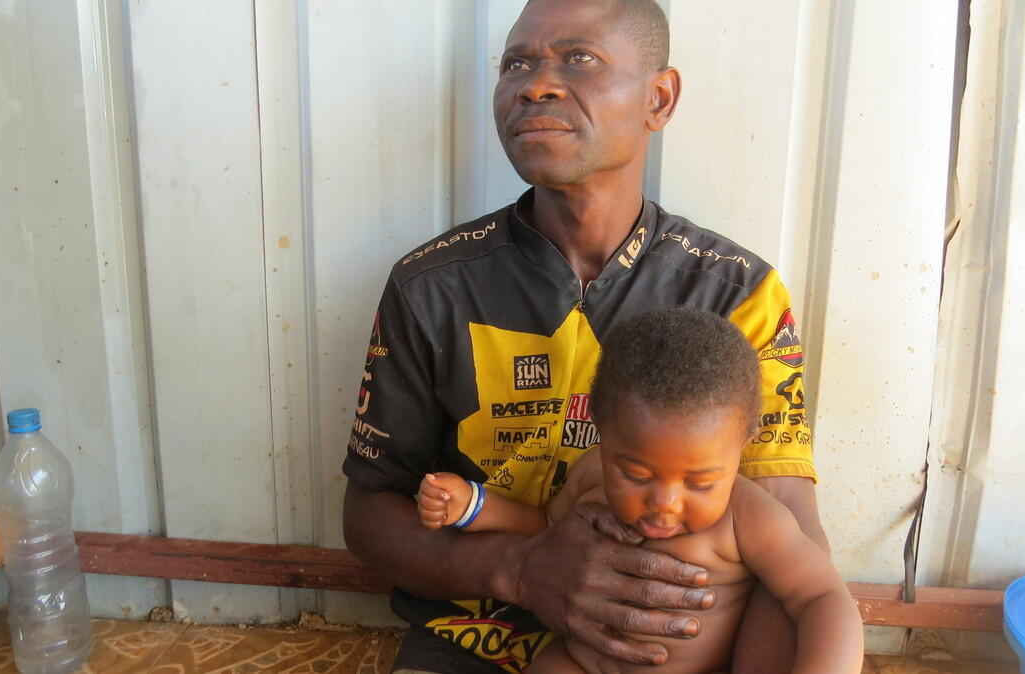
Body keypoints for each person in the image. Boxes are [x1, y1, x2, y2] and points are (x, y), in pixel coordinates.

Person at [342, 0, 831, 671]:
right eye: (516, 63)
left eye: (578, 59)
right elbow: (370, 512)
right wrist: (519, 570)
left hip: (675, 649)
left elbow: (792, 544)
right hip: (473, 633)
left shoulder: (735, 294)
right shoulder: (432, 286)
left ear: (659, 98)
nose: (534, 84)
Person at [416, 308, 863, 674]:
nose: (664, 503)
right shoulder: (592, 476)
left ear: (742, 446)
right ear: (602, 435)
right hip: (582, 664)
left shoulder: (750, 518)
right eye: (636, 475)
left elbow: (821, 597)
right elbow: (545, 527)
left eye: (700, 483)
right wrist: (474, 505)